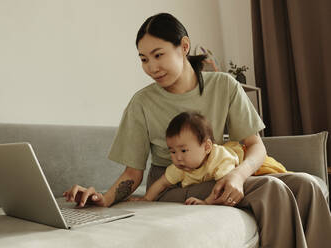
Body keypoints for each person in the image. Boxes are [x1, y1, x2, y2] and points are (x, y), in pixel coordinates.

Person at [63, 13, 331, 247]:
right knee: (271, 188)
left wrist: (238, 175)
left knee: (308, 185)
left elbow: (256, 145)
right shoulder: (141, 103)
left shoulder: (224, 86)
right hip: (175, 183)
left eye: (158, 55)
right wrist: (105, 198)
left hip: (219, 171)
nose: (151, 67)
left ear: (184, 47)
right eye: (144, 59)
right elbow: (133, 173)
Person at [128, 111, 288, 205]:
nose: (177, 158)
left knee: (273, 173)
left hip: (243, 159)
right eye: (172, 151)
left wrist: (206, 202)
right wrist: (146, 198)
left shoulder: (219, 161)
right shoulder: (179, 167)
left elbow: (223, 187)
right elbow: (161, 183)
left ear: (206, 147)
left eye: (183, 150)